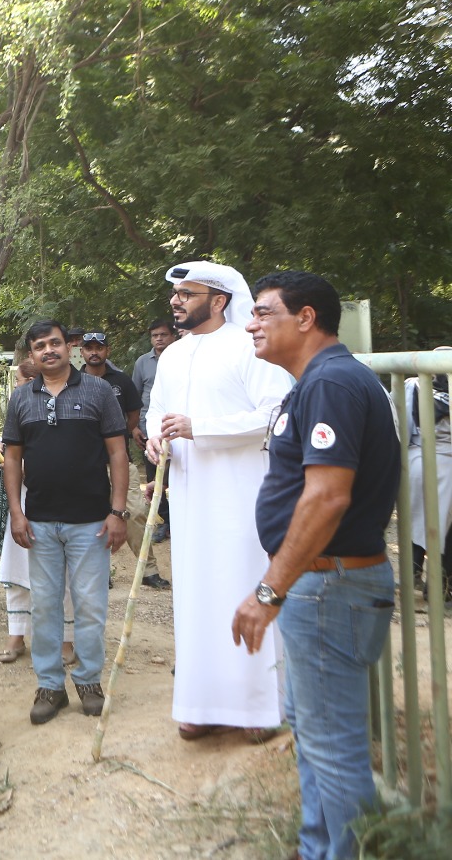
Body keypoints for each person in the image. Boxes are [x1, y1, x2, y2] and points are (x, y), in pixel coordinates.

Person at [233, 271, 398, 860]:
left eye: (262, 313)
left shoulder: (331, 382)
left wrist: (269, 590)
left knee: (333, 747)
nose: (251, 324)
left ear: (305, 318)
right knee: (314, 733)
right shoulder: (319, 383)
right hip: (321, 583)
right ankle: (318, 848)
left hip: (328, 584)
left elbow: (328, 496)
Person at [146, 261, 292, 743]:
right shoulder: (171, 355)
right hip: (189, 497)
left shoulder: (250, 347)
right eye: (176, 293)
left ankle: (257, 709)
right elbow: (158, 414)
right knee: (195, 596)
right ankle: (201, 705)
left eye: (187, 293)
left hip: (241, 495)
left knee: (240, 585)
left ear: (220, 300)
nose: (176, 300)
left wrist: (200, 428)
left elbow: (275, 413)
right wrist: (153, 441)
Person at [3, 321, 130, 724]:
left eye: (55, 343)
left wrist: (118, 512)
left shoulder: (99, 392)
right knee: (44, 607)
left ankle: (89, 681)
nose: (49, 350)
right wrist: (17, 514)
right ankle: (50, 686)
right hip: (39, 523)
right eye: (40, 346)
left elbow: (118, 454)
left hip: (91, 523)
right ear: (32, 355)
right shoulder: (22, 399)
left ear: (67, 348)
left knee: (91, 606)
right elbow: (11, 459)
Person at [0, 358, 74, 665]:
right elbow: (13, 455)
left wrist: (19, 465)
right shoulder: (19, 411)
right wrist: (0, 452)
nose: (16, 388)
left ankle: (66, 641)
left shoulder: (65, 409)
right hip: (21, 504)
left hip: (58, 504)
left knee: (60, 573)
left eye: (20, 382)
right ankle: (16, 636)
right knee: (17, 569)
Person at [83, 331, 170, 591]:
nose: (94, 352)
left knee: (134, 513)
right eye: (89, 348)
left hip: (119, 460)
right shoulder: (72, 381)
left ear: (107, 351)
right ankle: (101, 572)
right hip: (86, 464)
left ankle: (148, 570)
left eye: (99, 347)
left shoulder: (121, 381)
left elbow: (134, 413)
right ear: (82, 352)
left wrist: (119, 433)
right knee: (93, 517)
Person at [405, 348, 452, 607]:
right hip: (436, 458)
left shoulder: (412, 384)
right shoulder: (414, 385)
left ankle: (417, 575)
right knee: (440, 521)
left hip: (414, 456)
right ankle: (437, 584)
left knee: (419, 516)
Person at [133, 318, 179, 539]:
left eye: (163, 335)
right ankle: (163, 521)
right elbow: (135, 397)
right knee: (155, 479)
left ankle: (180, 521)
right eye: (155, 335)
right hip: (150, 431)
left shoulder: (183, 357)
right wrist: (135, 428)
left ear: (173, 335)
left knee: (178, 477)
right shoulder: (143, 362)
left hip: (181, 430)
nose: (159, 339)